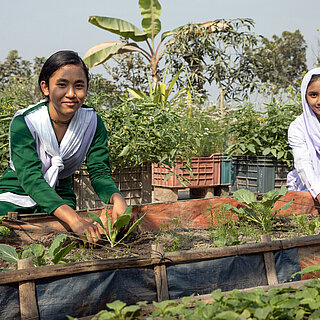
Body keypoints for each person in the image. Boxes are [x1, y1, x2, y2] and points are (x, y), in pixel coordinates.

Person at [0, 50, 127, 242]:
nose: (71, 94)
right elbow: (31, 179)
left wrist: (117, 198)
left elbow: (99, 171)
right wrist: (75, 220)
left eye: (79, 86)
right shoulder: (26, 122)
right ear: (45, 87)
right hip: (17, 193)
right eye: (61, 85)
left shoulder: (92, 123)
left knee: (69, 242)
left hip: (60, 195)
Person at [287, 67, 320, 202]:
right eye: (313, 95)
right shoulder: (298, 127)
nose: (319, 101)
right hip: (310, 187)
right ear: (305, 96)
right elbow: (303, 164)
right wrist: (318, 193)